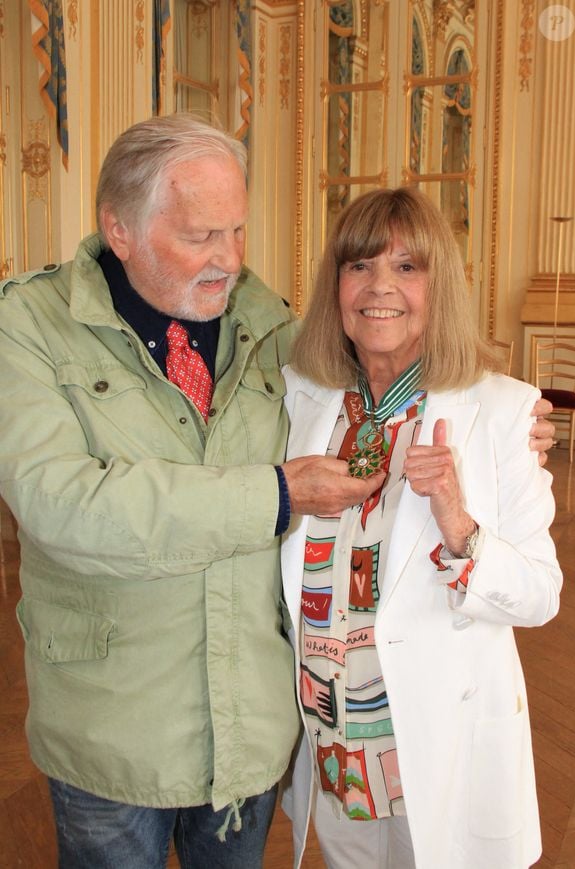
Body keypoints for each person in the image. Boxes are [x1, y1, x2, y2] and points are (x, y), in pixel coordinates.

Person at [0, 114, 388, 869]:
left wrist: (498, 421)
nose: (230, 260)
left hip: (247, 730)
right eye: (202, 235)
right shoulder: (27, 325)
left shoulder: (269, 324)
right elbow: (61, 502)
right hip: (112, 734)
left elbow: (382, 392)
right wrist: (274, 494)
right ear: (120, 229)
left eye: (238, 231)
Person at [280, 187, 563, 869]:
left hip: (436, 742)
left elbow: (540, 593)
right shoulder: (297, 399)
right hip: (335, 742)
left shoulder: (502, 412)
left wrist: (460, 525)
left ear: (442, 288)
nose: (381, 287)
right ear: (335, 287)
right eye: (359, 266)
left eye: (408, 267)